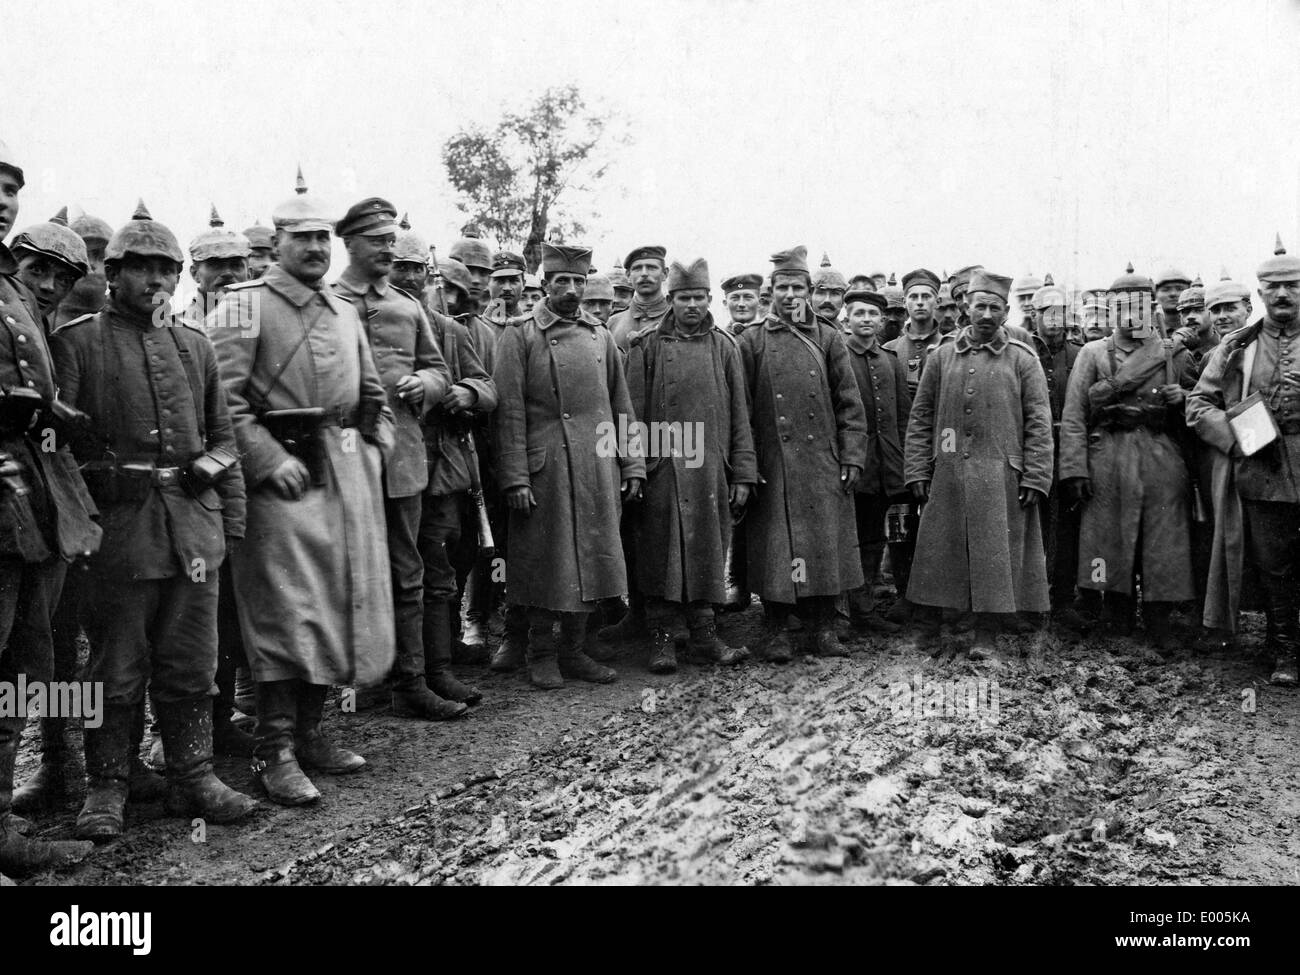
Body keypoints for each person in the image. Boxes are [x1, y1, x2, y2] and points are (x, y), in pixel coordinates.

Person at [51, 201, 256, 840]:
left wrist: (231, 521)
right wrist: (80, 527)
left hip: (193, 528)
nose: (153, 281)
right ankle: (109, 785)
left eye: (164, 270)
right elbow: (59, 450)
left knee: (193, 660)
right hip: (117, 534)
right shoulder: (77, 342)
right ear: (111, 273)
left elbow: (225, 439)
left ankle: (192, 774)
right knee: (113, 668)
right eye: (138, 268)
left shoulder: (195, 346)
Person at [208, 174, 396, 806]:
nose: (315, 247)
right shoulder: (242, 303)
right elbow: (222, 403)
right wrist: (262, 459)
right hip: (282, 486)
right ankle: (274, 750)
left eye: (323, 236)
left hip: (347, 482)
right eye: (303, 236)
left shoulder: (344, 308)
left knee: (335, 607)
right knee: (285, 614)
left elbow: (373, 393)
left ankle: (313, 733)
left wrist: (376, 444)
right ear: (279, 240)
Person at [0, 140, 101, 877]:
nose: (47, 285)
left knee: (18, 664)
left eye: (10, 189)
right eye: (38, 270)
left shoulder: (16, 304)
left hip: (25, 507)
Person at [332, 197, 472, 720]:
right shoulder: (326, 303)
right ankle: (352, 683)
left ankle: (410, 681)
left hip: (403, 461)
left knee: (407, 571)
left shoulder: (407, 307)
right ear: (349, 244)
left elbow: (438, 369)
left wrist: (427, 383)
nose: (389, 250)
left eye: (394, 240)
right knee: (345, 576)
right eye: (378, 241)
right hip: (343, 464)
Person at [493, 243, 645, 689]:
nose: (572, 290)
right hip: (548, 468)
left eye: (579, 281)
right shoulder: (520, 334)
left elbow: (623, 406)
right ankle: (540, 653)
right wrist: (516, 476)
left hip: (597, 464)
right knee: (547, 563)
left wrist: (632, 464)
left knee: (595, 559)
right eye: (563, 281)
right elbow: (510, 413)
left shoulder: (600, 335)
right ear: (546, 283)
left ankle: (575, 650)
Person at [904, 270, 1053, 665]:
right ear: (965, 308)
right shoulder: (941, 357)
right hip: (950, 471)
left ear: (1005, 312)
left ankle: (986, 631)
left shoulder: (1023, 360)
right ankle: (943, 624)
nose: (985, 314)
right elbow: (920, 417)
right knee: (944, 549)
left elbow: (1039, 420)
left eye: (994, 307)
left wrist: (1036, 475)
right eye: (979, 305)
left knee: (994, 554)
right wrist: (918, 469)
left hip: (1001, 473)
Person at [625, 258, 755, 673]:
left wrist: (744, 472)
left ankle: (703, 634)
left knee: (706, 550)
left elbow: (740, 415)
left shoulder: (725, 346)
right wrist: (636, 469)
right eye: (684, 298)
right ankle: (662, 639)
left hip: (709, 469)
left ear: (709, 299)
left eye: (699, 297)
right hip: (662, 466)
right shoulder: (645, 345)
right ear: (672, 298)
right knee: (658, 552)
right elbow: (630, 413)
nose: (692, 305)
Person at [737, 246, 866, 660]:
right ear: (769, 291)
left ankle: (823, 626)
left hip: (821, 461)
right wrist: (748, 462)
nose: (790, 295)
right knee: (778, 546)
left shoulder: (829, 338)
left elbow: (849, 402)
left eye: (797, 287)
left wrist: (851, 456)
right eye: (782, 287)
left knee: (822, 544)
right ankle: (775, 626)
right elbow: (742, 410)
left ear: (810, 291)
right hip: (774, 460)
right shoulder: (752, 340)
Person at [1059, 264, 1197, 650]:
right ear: (1111, 311)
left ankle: (1159, 620)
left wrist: (1182, 400)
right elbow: (1074, 416)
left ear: (1151, 306)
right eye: (1120, 307)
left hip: (1158, 454)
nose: (1129, 315)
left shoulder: (1174, 353)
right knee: (1108, 538)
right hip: (1108, 456)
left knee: (1161, 541)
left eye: (1137, 305)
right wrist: (1074, 469)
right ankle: (1115, 614)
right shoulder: (1092, 353)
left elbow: (1202, 406)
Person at [1186, 238, 1300, 685]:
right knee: (1275, 564)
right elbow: (1199, 406)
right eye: (1272, 288)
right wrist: (1242, 438)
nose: (1282, 296)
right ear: (1260, 293)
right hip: (1263, 468)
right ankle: (1286, 649)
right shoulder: (1238, 346)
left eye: (1292, 286)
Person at [179, 205, 255, 761]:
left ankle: (224, 719)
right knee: (186, 628)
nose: (228, 275)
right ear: (194, 272)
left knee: (231, 617)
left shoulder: (257, 323)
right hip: (191, 489)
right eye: (216, 266)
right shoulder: (177, 329)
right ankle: (179, 739)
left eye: (237, 264)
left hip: (248, 486)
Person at [842, 290, 908, 633]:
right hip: (856, 465)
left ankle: (866, 609)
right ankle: (852, 611)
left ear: (882, 321)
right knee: (854, 536)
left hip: (889, 466)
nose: (867, 319)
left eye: (873, 314)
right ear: (847, 319)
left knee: (879, 538)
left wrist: (902, 462)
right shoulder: (839, 356)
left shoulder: (890, 360)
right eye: (860, 314)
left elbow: (901, 418)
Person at [880, 267, 944, 623]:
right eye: (914, 297)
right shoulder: (890, 351)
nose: (920, 303)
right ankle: (905, 593)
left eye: (927, 297)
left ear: (937, 302)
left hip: (939, 448)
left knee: (937, 523)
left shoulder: (950, 347)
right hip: (900, 451)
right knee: (900, 525)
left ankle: (935, 595)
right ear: (905, 304)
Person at [1029, 276, 1085, 629]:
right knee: (1031, 526)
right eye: (1046, 313)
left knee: (1068, 526)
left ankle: (1063, 598)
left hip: (1068, 451)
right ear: (1034, 316)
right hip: (1031, 451)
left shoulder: (1081, 355)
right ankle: (1029, 599)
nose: (1053, 320)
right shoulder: (1023, 352)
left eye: (1060, 312)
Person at [10, 208, 89, 331]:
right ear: (11, 267)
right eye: (37, 270)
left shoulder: (48, 336)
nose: (49, 286)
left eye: (63, 280)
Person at [53, 212, 113, 329]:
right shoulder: (44, 317)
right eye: (82, 254)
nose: (91, 263)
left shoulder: (123, 322)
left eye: (100, 256)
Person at [607, 244, 669, 353]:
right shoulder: (612, 323)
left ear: (665, 273)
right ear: (628, 275)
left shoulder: (677, 319)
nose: (644, 273)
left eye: (651, 267)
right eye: (637, 268)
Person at [484, 249, 526, 337]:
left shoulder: (531, 326)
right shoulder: (478, 328)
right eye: (500, 281)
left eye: (513, 281)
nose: (507, 288)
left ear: (524, 284)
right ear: (487, 283)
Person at [722, 272, 762, 339]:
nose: (741, 304)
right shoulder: (719, 339)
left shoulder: (768, 336)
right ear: (725, 303)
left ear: (759, 302)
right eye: (735, 298)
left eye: (748, 298)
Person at [1153, 266, 1191, 334]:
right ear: (1156, 295)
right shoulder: (1148, 331)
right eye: (1165, 289)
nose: (1173, 294)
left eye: (1180, 289)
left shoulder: (1202, 329)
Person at [811, 253, 848, 324]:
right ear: (810, 297)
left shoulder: (851, 335)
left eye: (834, 294)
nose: (827, 300)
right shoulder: (797, 333)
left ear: (843, 301)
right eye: (821, 293)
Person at [880, 274, 906, 343]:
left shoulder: (907, 344)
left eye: (898, 313)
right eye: (887, 312)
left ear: (907, 316)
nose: (892, 319)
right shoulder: (867, 343)